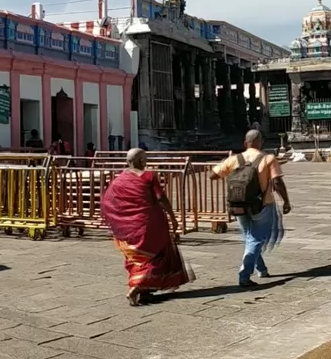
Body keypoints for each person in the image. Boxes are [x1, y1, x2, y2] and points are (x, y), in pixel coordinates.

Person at [100, 148, 193, 306]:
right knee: (158, 255)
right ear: (142, 161)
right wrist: (173, 217)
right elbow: (161, 198)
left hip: (130, 228)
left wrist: (119, 224)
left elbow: (108, 202)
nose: (146, 161)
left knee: (138, 257)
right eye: (145, 158)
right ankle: (139, 286)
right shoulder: (149, 176)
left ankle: (145, 291)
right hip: (151, 224)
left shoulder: (119, 179)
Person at [212, 129, 292, 288]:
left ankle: (261, 269)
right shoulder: (268, 158)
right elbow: (277, 182)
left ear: (245, 143)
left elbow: (213, 176)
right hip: (262, 204)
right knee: (256, 238)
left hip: (239, 204)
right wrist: (286, 201)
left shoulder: (234, 159)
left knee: (250, 236)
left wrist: (232, 172)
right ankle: (244, 275)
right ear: (261, 142)